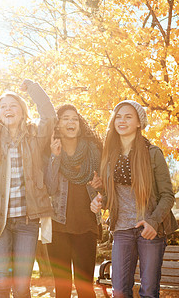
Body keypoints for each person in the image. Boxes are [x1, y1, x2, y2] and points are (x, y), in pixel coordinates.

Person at [0, 79, 56, 298]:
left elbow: (50, 117)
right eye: (3, 107)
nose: (8, 110)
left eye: (13, 105)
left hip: (27, 222)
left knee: (21, 286)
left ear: (22, 110)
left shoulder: (34, 135)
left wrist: (34, 88)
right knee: (1, 283)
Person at [90, 100, 178, 298]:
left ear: (139, 122)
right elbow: (113, 196)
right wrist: (100, 202)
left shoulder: (153, 153)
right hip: (121, 229)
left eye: (128, 117)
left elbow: (167, 196)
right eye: (118, 117)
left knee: (148, 292)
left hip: (149, 230)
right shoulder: (110, 156)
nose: (122, 121)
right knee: (119, 291)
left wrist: (153, 222)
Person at [45, 104, 103, 297]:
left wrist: (101, 184)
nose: (71, 122)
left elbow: (106, 186)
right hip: (58, 226)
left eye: (75, 119)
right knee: (62, 288)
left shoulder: (94, 150)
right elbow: (50, 188)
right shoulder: (52, 150)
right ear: (58, 125)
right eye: (65, 118)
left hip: (87, 226)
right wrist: (55, 157)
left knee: (85, 287)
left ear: (80, 124)